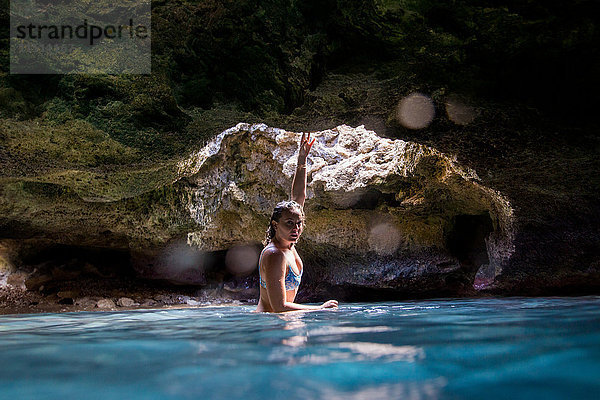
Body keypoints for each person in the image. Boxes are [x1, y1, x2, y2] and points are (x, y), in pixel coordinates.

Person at [255, 132, 339, 313]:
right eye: (289, 223)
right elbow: (279, 307)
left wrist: (302, 160)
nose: (296, 228)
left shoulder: (288, 244)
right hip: (271, 328)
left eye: (299, 223)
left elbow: (298, 197)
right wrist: (319, 309)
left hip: (284, 327)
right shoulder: (274, 254)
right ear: (275, 224)